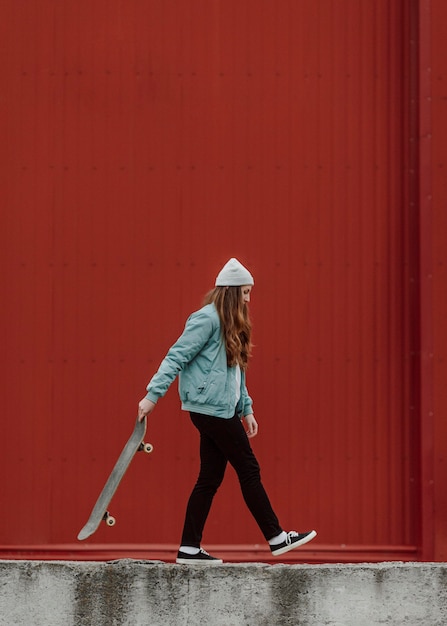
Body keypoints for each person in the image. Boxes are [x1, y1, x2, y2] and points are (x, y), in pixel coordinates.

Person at [138, 258, 316, 564]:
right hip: (210, 410)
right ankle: (276, 537)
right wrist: (152, 395)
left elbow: (237, 372)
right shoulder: (206, 319)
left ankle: (189, 548)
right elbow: (175, 356)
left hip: (222, 410)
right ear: (232, 292)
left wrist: (246, 408)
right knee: (249, 469)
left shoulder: (234, 323)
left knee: (209, 478)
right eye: (245, 293)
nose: (248, 299)